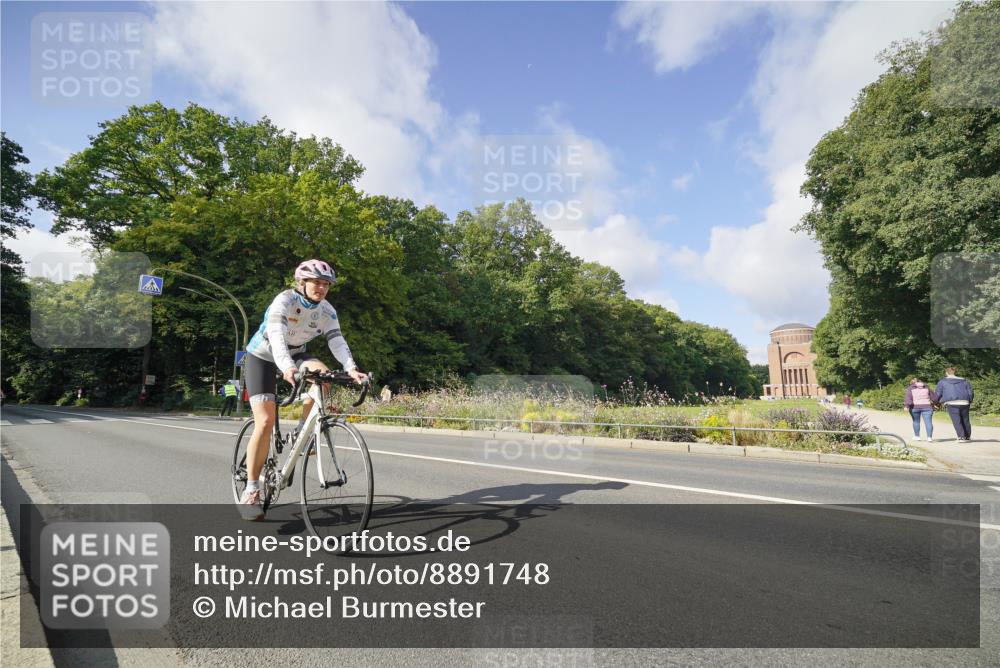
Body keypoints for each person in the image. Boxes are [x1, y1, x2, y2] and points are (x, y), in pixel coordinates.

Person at [239, 259, 367, 520]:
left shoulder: (328, 311)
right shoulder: (284, 301)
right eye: (316, 283)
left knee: (325, 376)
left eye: (326, 284)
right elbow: (276, 337)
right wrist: (286, 368)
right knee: (264, 421)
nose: (321, 288)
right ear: (302, 283)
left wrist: (352, 369)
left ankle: (301, 431)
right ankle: (251, 490)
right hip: (262, 356)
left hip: (297, 353)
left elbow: (337, 341)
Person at [935, 367, 974, 442]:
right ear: (955, 372)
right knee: (965, 420)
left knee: (956, 420)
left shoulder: (942, 382)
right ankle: (967, 437)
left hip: (951, 402)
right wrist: (970, 400)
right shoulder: (965, 381)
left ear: (946, 373)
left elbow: (938, 393)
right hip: (965, 402)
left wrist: (936, 402)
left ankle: (961, 437)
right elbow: (970, 392)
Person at [904, 378, 939, 442]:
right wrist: (935, 403)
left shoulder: (910, 388)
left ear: (912, 383)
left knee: (916, 421)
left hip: (914, 407)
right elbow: (934, 398)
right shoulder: (927, 387)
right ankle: (929, 438)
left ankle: (917, 436)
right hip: (927, 407)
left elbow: (908, 398)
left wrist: (907, 406)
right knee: (928, 422)